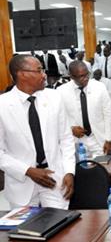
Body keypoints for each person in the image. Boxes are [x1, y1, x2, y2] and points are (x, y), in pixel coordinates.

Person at [0, 55, 75, 209]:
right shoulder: (3, 105)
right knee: (27, 231)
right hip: (21, 185)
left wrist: (69, 171)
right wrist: (27, 171)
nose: (44, 75)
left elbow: (66, 138)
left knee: (61, 228)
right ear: (22, 74)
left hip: (54, 179)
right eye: (39, 70)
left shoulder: (54, 97)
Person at [58, 61, 111, 158]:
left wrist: (109, 139)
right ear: (72, 77)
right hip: (76, 142)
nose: (86, 78)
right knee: (80, 171)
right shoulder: (61, 91)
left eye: (87, 74)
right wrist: (71, 129)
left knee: (103, 170)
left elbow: (108, 114)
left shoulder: (99, 87)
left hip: (99, 140)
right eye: (81, 76)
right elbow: (58, 118)